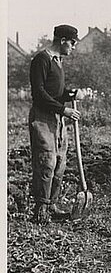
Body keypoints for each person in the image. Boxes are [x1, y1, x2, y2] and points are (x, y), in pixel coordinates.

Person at [29, 24, 85, 224]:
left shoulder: (58, 61)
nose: (73, 47)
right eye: (72, 43)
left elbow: (56, 93)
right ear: (62, 40)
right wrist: (64, 109)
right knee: (47, 162)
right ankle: (41, 210)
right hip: (43, 118)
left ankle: (52, 205)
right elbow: (39, 94)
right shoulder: (42, 60)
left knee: (60, 163)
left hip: (57, 120)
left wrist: (71, 94)